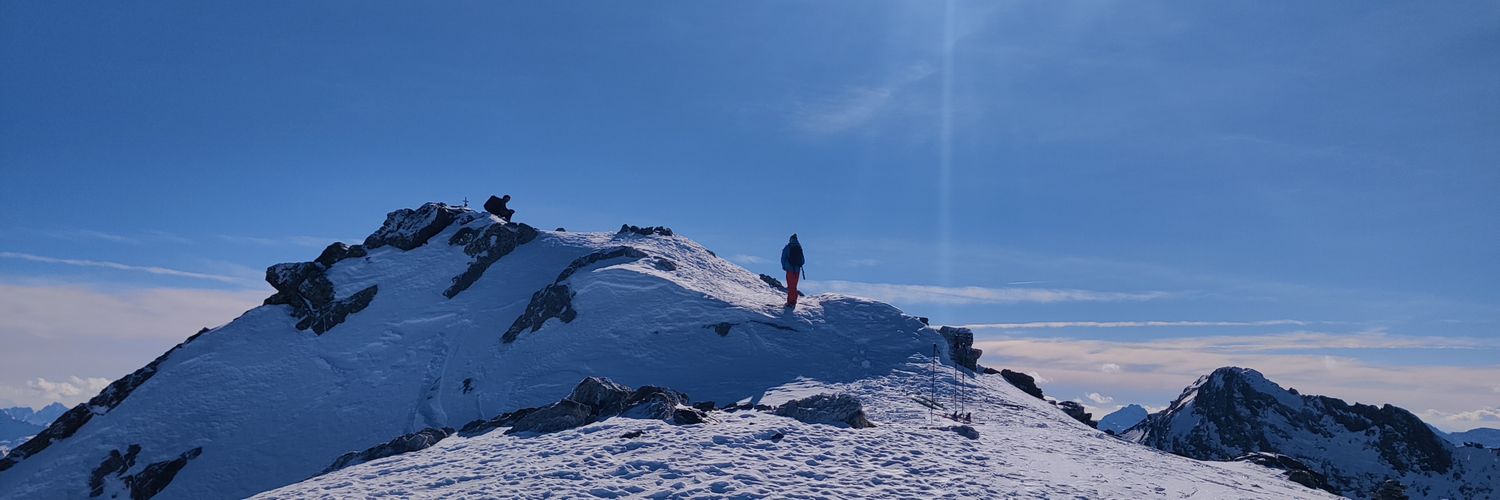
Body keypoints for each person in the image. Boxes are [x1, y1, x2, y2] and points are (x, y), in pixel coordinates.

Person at [779, 234, 805, 308]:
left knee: (790, 286)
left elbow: (783, 258)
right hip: (797, 270)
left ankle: (790, 302)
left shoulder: (788, 247)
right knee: (794, 286)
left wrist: (785, 266)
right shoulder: (799, 247)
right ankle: (793, 300)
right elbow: (803, 261)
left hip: (790, 269)